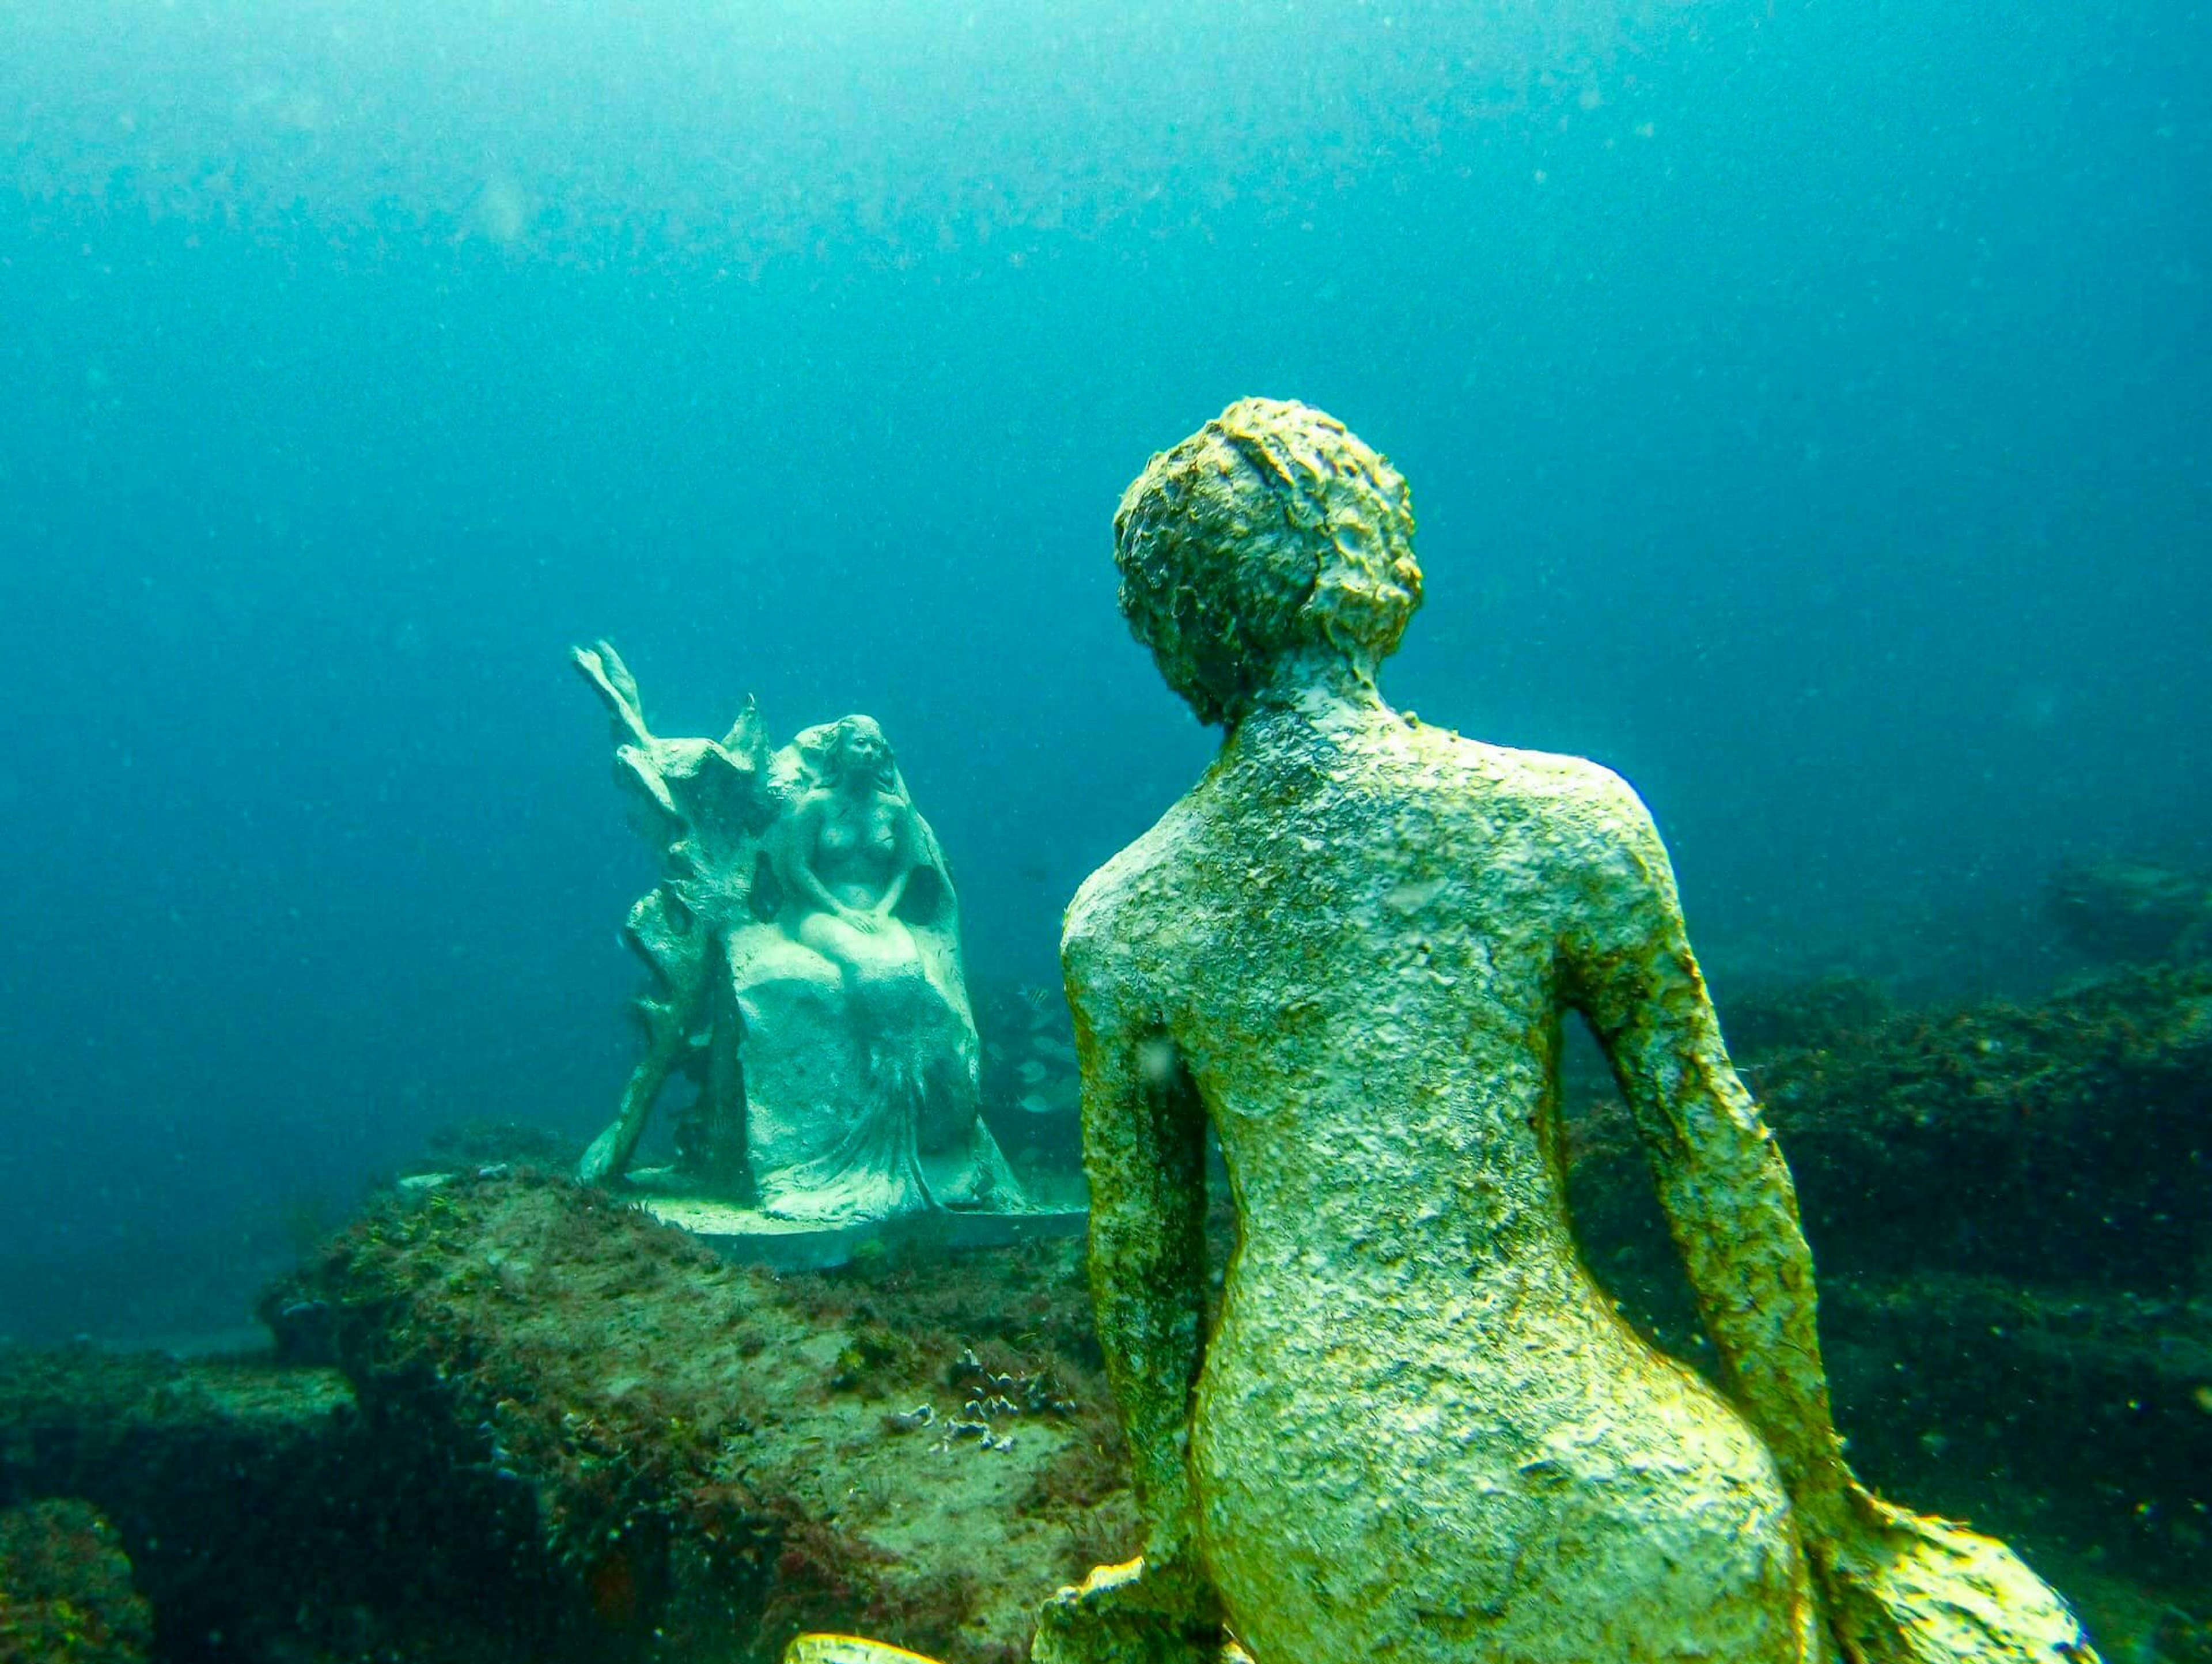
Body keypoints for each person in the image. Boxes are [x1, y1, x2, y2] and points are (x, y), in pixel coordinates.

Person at [1042, 398, 2095, 1664]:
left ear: (1168, 625)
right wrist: (1829, 1497)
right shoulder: (1566, 823)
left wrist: (1176, 1547)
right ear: (1360, 549)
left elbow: (1146, 1260)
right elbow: (1715, 1157)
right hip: (1591, 1483)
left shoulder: (1122, 919)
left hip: (1294, 1497)